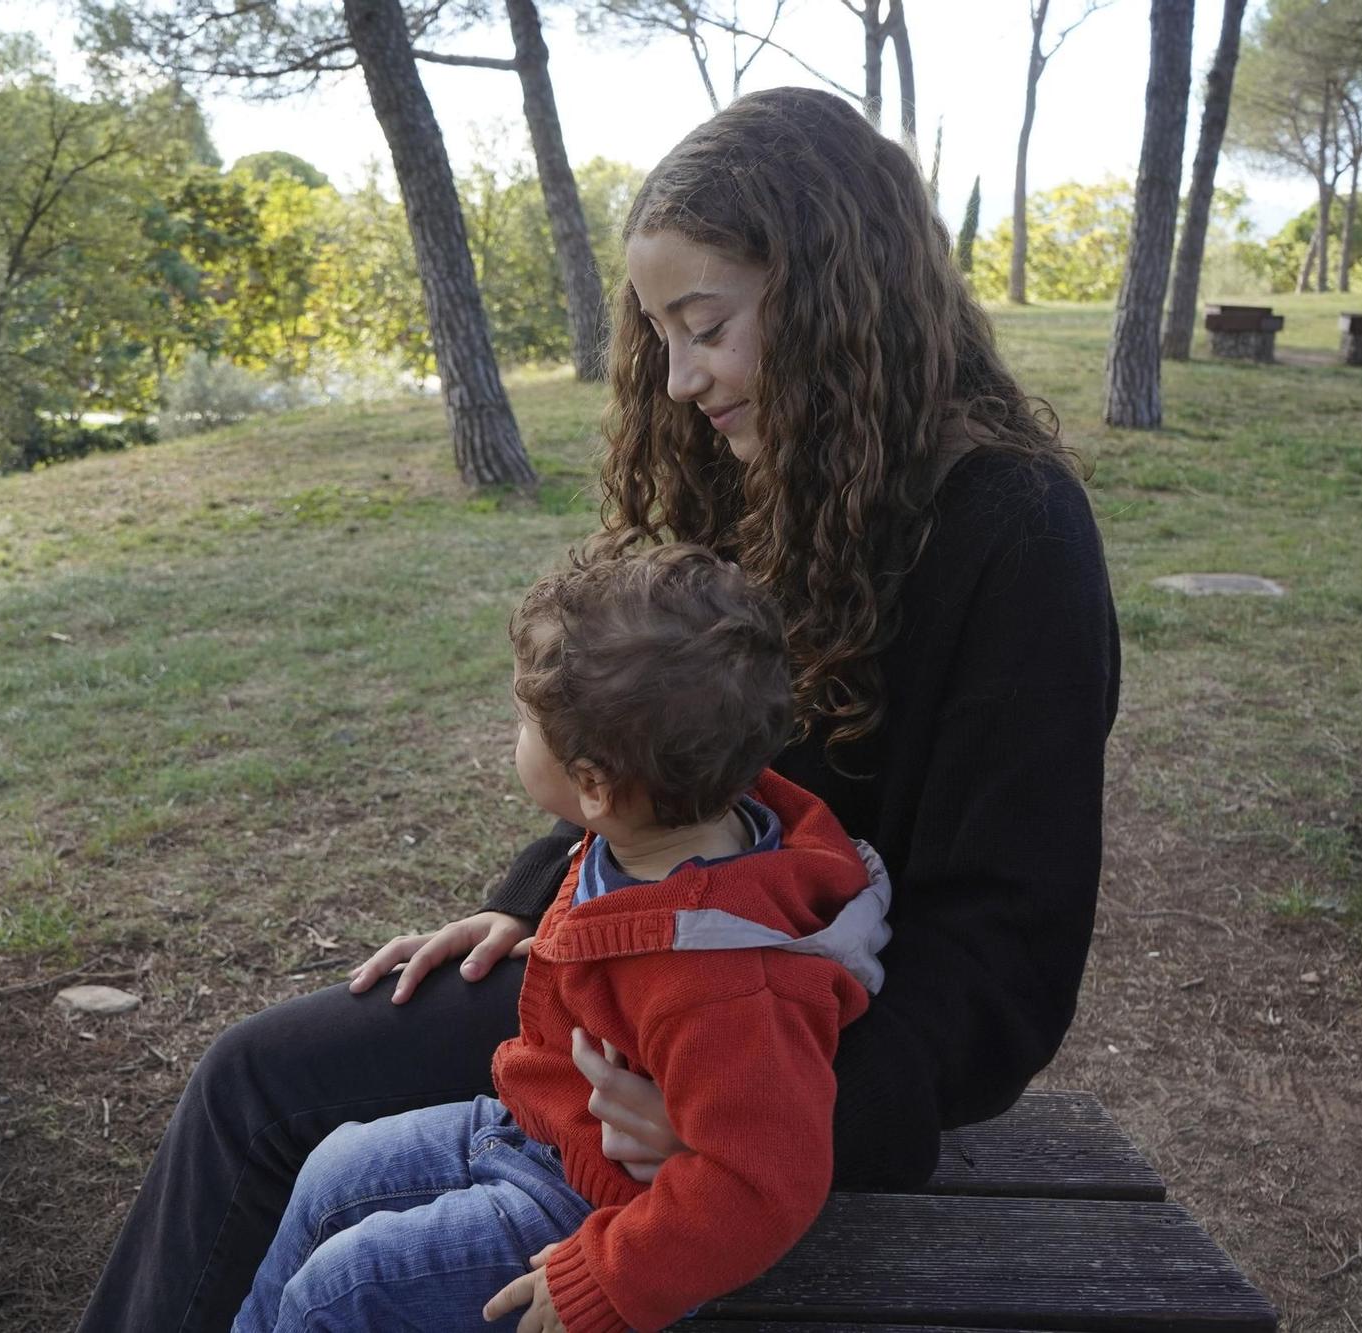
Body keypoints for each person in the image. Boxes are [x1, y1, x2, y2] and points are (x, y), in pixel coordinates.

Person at [76, 85, 1119, 1332]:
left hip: (754, 1046)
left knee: (264, 1094)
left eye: (706, 326)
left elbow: (1005, 958)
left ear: (837, 293)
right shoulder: (788, 468)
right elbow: (676, 768)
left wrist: (752, 1120)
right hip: (637, 975)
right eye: (660, 333)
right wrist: (538, 905)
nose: (678, 380)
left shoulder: (1015, 533)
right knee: (269, 1090)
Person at [232, 542, 891, 1333]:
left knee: (344, 1289)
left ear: (592, 785)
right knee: (331, 1167)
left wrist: (607, 1279)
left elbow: (764, 1185)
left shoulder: (730, 981)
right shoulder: (663, 827)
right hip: (539, 1125)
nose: (514, 733)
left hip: (596, 1212)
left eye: (523, 722)